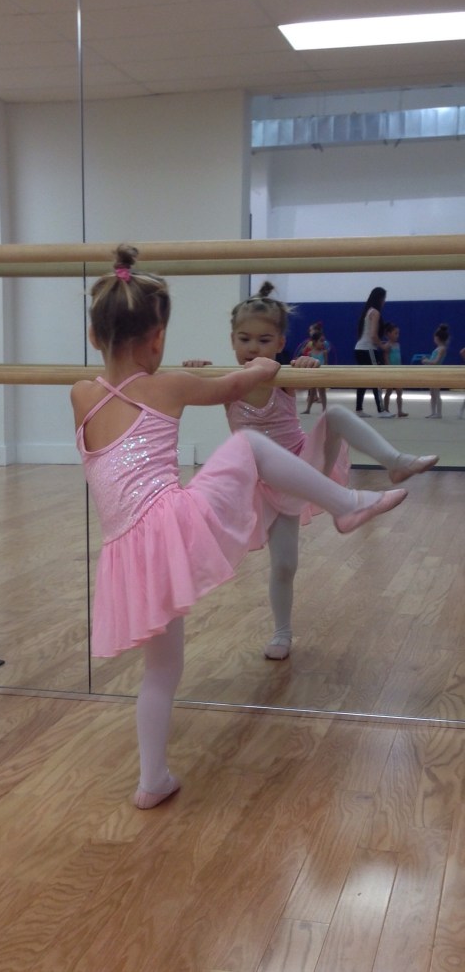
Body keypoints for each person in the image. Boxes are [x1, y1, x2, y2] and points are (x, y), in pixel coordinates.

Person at [73, 245, 409, 809]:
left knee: (161, 671)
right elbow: (236, 387)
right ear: (157, 339)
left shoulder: (79, 393)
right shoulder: (169, 385)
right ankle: (345, 503)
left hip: (126, 548)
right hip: (172, 525)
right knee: (249, 443)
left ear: (92, 336)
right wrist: (263, 365)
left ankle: (152, 779)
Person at [185, 287, 438, 663]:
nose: (253, 347)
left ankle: (395, 461)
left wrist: (308, 364)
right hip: (268, 488)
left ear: (280, 343)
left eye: (264, 340)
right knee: (284, 564)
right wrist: (197, 369)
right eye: (244, 339)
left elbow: (310, 377)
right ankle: (282, 631)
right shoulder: (229, 383)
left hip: (305, 468)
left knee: (333, 416)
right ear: (232, 340)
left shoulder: (283, 377)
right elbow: (191, 390)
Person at [354, 286, 392, 417]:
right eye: (384, 298)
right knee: (376, 378)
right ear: (379, 299)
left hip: (359, 349)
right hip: (368, 349)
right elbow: (373, 336)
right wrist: (383, 346)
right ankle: (381, 410)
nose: (384, 301)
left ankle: (359, 409)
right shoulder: (375, 312)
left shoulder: (367, 311)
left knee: (363, 380)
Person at [421, 323, 450, 418]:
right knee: (432, 393)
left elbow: (436, 361)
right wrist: (427, 360)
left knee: (436, 393)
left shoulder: (442, 349)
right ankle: (433, 412)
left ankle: (439, 413)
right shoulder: (438, 348)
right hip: (432, 372)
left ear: (437, 338)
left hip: (437, 372)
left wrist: (426, 361)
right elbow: (433, 360)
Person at [382, 322, 408, 417]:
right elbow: (386, 358)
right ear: (389, 334)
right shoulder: (387, 345)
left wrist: (400, 369)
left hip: (398, 371)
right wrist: (389, 370)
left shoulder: (398, 345)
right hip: (391, 371)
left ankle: (400, 411)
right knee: (388, 391)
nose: (397, 335)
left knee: (399, 392)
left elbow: (399, 358)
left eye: (398, 333)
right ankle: (386, 409)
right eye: (395, 333)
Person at [301, 327, 328, 414]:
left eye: (323, 341)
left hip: (321, 374)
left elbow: (326, 364)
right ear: (315, 342)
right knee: (312, 392)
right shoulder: (310, 353)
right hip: (312, 374)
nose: (323, 343)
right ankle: (308, 409)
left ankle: (324, 409)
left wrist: (325, 374)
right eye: (321, 341)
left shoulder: (324, 353)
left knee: (322, 392)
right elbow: (308, 365)